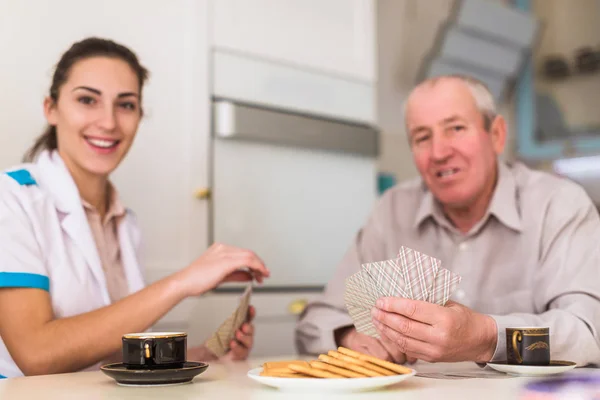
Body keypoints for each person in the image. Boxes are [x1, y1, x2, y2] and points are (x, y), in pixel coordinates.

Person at [0, 37, 270, 378]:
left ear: (140, 115)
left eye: (125, 105)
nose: (109, 122)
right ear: (50, 109)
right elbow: (36, 354)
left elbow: (110, 352)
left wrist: (206, 355)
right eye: (87, 100)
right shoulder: (11, 198)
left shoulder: (126, 224)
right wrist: (182, 282)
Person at [295, 74, 600, 367]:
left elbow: (589, 332)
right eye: (422, 137)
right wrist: (350, 336)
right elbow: (315, 322)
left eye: (455, 128)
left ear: (496, 135)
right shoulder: (391, 211)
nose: (439, 152)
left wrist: (486, 337)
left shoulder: (559, 205)